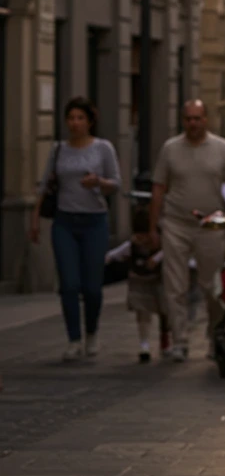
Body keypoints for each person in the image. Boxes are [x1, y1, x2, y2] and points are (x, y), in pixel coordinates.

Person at [149, 100, 225, 361]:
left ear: (206, 120)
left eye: (197, 118)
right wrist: (153, 226)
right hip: (175, 223)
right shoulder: (170, 149)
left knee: (213, 286)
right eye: (188, 119)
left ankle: (215, 336)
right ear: (183, 121)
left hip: (211, 224)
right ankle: (179, 340)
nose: (193, 123)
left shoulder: (222, 148)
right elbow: (158, 187)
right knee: (175, 286)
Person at [30, 97, 121, 362]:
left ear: (90, 121)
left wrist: (98, 181)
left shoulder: (103, 148)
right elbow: (45, 185)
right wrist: (35, 219)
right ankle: (73, 339)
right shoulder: (58, 149)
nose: (75, 123)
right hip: (65, 222)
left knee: (92, 287)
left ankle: (91, 332)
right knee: (69, 284)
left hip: (94, 222)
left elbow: (116, 183)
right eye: (71, 118)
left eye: (80, 118)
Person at [105, 207, 168, 363]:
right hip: (140, 282)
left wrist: (157, 259)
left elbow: (170, 251)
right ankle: (144, 344)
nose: (142, 240)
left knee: (165, 311)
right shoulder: (132, 245)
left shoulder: (162, 244)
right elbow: (114, 254)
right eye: (139, 236)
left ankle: (165, 337)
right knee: (142, 312)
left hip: (159, 281)